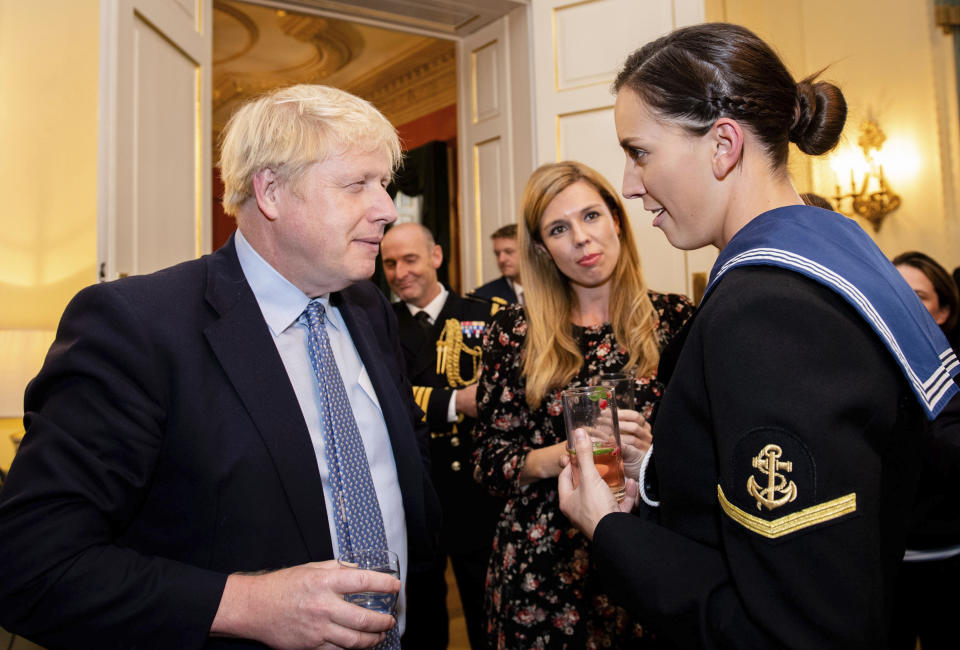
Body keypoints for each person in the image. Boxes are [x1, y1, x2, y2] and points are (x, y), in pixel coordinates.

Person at [557, 23, 959, 649]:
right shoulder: (840, 251)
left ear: (722, 144)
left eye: (639, 152)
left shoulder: (765, 314)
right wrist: (664, 469)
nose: (630, 184)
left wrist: (609, 529)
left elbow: (795, 629)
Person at [0, 84, 442, 649]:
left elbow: (406, 473)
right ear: (272, 192)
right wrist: (247, 605)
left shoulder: (368, 307)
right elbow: (33, 566)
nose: (385, 209)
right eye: (358, 184)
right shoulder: (136, 327)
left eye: (384, 184)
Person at [472, 160, 693, 648]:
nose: (580, 238)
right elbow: (490, 463)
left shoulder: (677, 320)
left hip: (647, 556)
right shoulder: (515, 331)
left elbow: (705, 460)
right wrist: (569, 455)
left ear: (616, 218)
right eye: (558, 228)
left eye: (591, 216)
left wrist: (649, 453)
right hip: (541, 568)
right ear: (542, 249)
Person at [380, 223, 503, 650]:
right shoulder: (377, 323)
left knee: (486, 612)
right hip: (414, 491)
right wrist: (454, 402)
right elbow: (387, 400)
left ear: (436, 256)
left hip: (475, 490)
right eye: (390, 263)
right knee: (422, 621)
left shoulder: (485, 314)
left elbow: (498, 395)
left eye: (409, 260)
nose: (399, 273)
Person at [891, 251, 960, 650]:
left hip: (947, 557)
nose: (904, 303)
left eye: (918, 296)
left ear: (943, 310)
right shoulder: (864, 363)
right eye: (896, 292)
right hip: (884, 565)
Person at [471, 224, 524, 304]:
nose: (501, 259)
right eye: (497, 253)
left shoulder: (548, 287)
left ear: (527, 252)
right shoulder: (482, 297)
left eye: (509, 252)